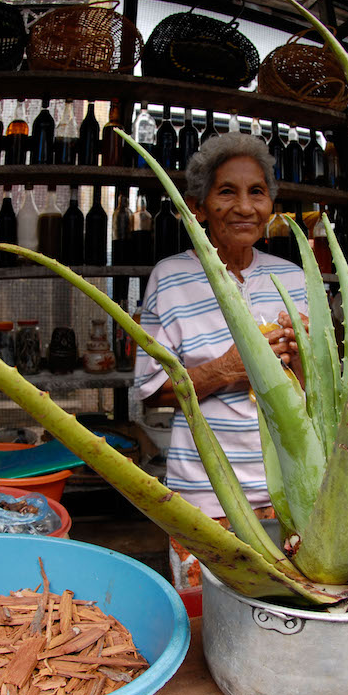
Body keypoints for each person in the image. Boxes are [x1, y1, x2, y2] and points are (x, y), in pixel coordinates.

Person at [133, 133, 308, 589]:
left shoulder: (293, 277)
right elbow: (152, 392)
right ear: (198, 206)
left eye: (257, 192)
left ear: (272, 205)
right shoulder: (171, 278)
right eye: (226, 191)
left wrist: (307, 356)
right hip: (203, 493)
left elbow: (316, 395)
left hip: (289, 491)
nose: (244, 207)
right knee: (204, 617)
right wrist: (231, 366)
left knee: (281, 609)